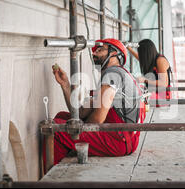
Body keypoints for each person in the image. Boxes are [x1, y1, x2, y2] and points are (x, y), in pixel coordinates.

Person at [46, 38, 146, 167]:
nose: (94, 53)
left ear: (114, 53)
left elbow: (98, 119)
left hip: (118, 141)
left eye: (100, 49)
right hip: (125, 139)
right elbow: (80, 113)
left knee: (56, 129)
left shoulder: (112, 74)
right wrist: (65, 85)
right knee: (62, 117)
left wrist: (80, 131)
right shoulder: (118, 75)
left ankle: (53, 179)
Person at [127, 39, 173, 106]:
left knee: (134, 97)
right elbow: (140, 58)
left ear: (145, 53)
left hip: (162, 97)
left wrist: (144, 80)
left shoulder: (160, 60)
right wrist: (128, 48)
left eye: (141, 53)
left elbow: (164, 83)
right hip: (152, 93)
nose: (140, 55)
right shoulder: (151, 60)